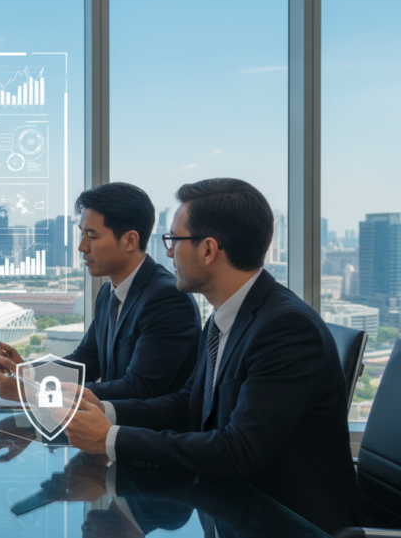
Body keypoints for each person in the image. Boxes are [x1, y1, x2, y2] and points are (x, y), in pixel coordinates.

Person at [63, 178, 363, 533]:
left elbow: (240, 451)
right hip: (228, 511)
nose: (168, 252)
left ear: (208, 250)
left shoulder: (285, 328)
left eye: (174, 240)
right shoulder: (226, 315)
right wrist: (105, 410)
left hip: (286, 525)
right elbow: (188, 402)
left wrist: (111, 438)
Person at [0, 182, 201, 401]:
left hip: (143, 431)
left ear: (129, 240)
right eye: (82, 234)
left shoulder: (167, 298)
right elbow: (86, 361)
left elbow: (138, 389)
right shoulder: (109, 291)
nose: (82, 246)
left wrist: (36, 393)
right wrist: (27, 371)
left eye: (92, 236)